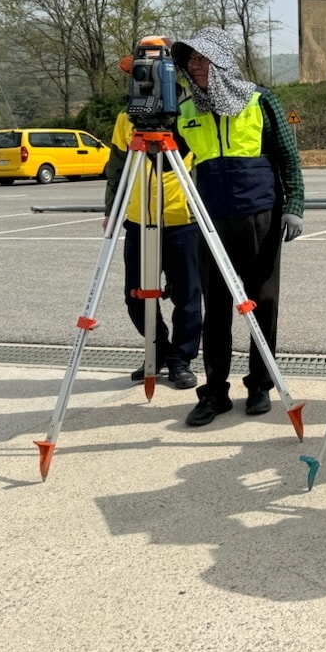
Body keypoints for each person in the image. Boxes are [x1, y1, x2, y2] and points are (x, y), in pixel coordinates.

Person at [170, 27, 305, 427]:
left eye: (203, 59)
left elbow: (288, 155)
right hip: (209, 218)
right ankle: (214, 391)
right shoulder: (186, 108)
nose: (196, 67)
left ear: (223, 60)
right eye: (189, 60)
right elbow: (169, 157)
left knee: (262, 302)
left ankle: (260, 383)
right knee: (215, 308)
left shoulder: (260, 100)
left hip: (260, 213)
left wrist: (294, 204)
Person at [103, 37, 200, 391]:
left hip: (182, 218)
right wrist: (111, 210)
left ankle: (181, 360)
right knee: (135, 294)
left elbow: (200, 161)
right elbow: (116, 168)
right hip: (137, 218)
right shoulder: (125, 118)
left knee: (188, 297)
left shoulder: (190, 111)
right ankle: (156, 350)